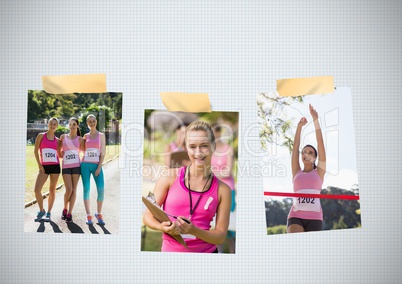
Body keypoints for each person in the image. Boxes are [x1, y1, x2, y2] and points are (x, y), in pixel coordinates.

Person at [143, 121, 232, 253]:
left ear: (213, 147)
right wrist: (162, 227)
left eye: (204, 146)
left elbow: (220, 236)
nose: (198, 152)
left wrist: (194, 231)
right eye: (192, 146)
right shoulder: (169, 177)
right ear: (186, 148)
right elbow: (147, 216)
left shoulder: (223, 190)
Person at [287, 104, 326, 233]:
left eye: (310, 152)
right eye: (304, 152)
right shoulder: (296, 171)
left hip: (315, 218)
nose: (306, 154)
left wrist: (315, 119)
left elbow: (320, 144)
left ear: (315, 157)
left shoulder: (319, 172)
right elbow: (295, 147)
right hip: (295, 216)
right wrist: (299, 127)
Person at [211, 124, 236, 253]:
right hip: (213, 191)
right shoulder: (208, 150)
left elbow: (227, 172)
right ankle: (219, 253)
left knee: (229, 225)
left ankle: (233, 252)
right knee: (216, 225)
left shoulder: (228, 149)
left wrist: (211, 173)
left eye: (215, 132)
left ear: (220, 133)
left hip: (228, 190)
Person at [33, 117, 61, 222]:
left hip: (55, 167)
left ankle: (49, 213)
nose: (52, 126)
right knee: (37, 190)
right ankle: (41, 210)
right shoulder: (41, 136)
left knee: (52, 190)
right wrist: (39, 165)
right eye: (51, 124)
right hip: (44, 167)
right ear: (48, 124)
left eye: (55, 124)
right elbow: (35, 151)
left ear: (57, 126)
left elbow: (60, 154)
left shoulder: (58, 141)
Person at [81, 114, 106, 225]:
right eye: (90, 121)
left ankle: (98, 213)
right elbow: (81, 149)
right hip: (85, 165)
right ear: (87, 123)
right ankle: (88, 215)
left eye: (93, 121)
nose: (92, 123)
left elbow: (103, 152)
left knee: (101, 191)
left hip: (97, 166)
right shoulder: (85, 136)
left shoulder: (101, 135)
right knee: (86, 189)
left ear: (96, 121)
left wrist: (99, 167)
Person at [58, 117, 85, 223]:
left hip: (76, 166)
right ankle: (65, 208)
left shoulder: (80, 139)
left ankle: (70, 213)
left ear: (77, 126)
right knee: (68, 189)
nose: (72, 126)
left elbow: (84, 151)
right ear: (68, 125)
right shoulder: (63, 137)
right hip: (65, 166)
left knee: (74, 190)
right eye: (70, 124)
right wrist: (61, 154)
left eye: (74, 124)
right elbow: (59, 151)